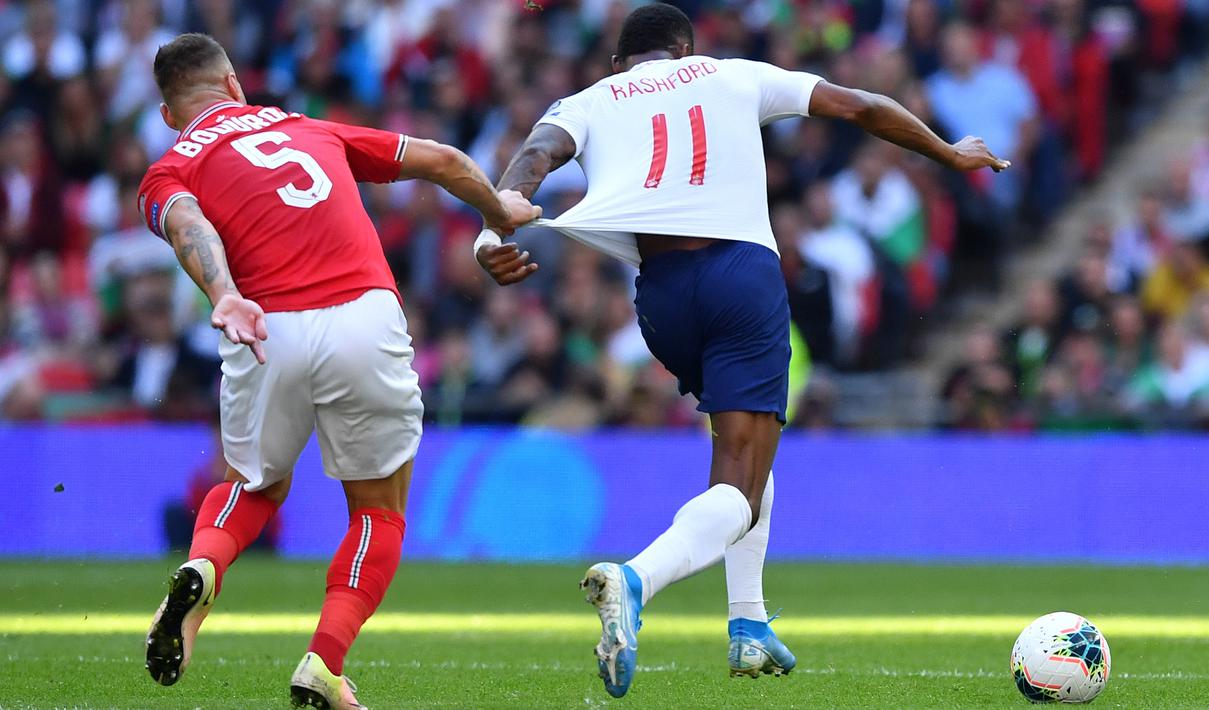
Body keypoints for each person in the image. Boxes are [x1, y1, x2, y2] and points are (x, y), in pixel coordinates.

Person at [476, 3, 1007, 698]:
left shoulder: (587, 99)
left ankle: (748, 625)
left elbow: (532, 157)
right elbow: (861, 106)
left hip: (660, 296)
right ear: (685, 49)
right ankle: (636, 578)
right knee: (740, 479)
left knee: (748, 441)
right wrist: (946, 151)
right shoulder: (730, 74)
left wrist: (492, 235)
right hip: (739, 277)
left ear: (619, 64)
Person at [137, 34, 538, 709]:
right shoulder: (304, 126)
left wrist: (225, 293)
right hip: (363, 315)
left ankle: (203, 563)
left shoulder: (169, 167)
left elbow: (187, 227)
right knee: (379, 512)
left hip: (267, 324)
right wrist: (501, 210)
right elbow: (439, 159)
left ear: (169, 114)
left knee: (252, 487)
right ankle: (323, 662)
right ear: (234, 84)